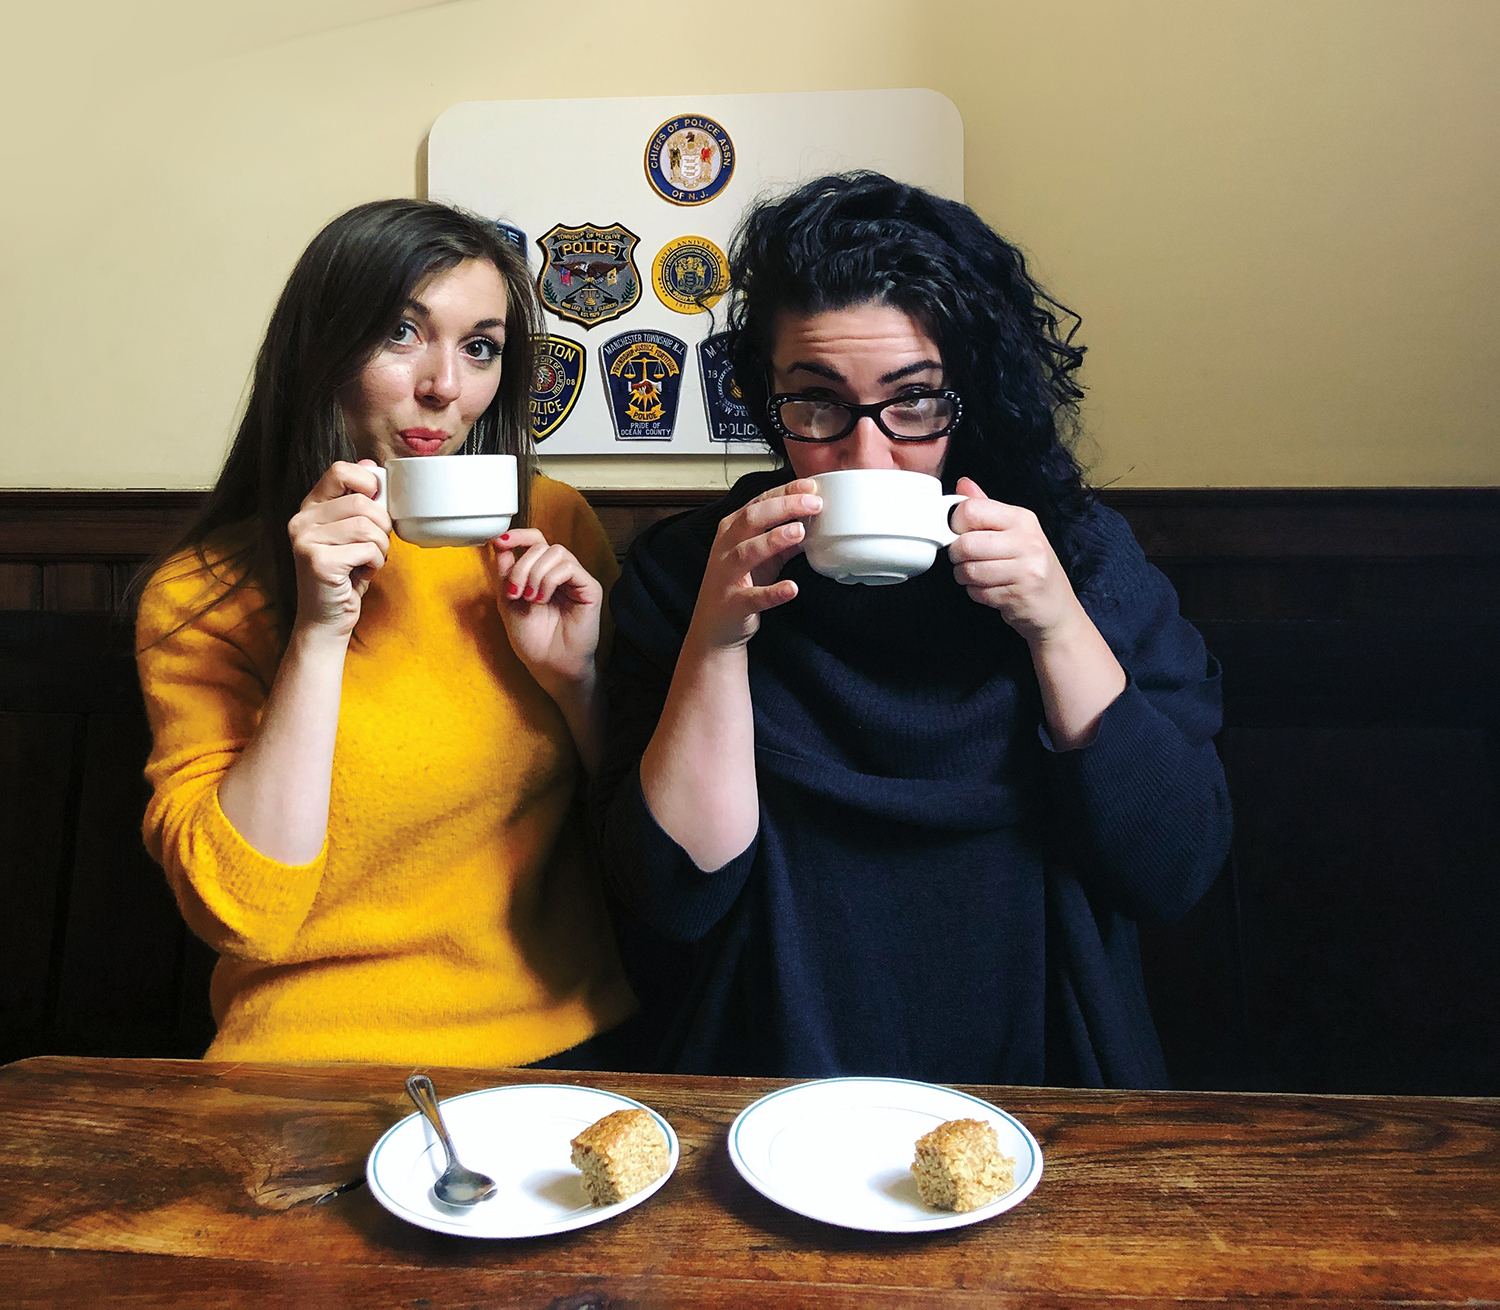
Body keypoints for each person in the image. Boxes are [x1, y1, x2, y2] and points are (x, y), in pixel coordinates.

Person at [593, 173, 1232, 1087]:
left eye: (916, 400)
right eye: (816, 401)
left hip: (1048, 1060)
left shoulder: (1076, 557)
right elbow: (673, 898)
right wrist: (716, 642)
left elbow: (1172, 868)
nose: (867, 452)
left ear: (973, 390)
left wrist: (1054, 624)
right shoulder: (699, 569)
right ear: (766, 396)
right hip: (765, 1069)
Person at [136, 199, 635, 1066]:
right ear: (322, 351)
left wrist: (577, 682)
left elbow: (642, 837)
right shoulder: (202, 595)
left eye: (479, 347)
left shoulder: (552, 531)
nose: (445, 385)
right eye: (403, 334)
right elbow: (241, 913)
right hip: (306, 1059)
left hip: (565, 1038)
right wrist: (320, 634)